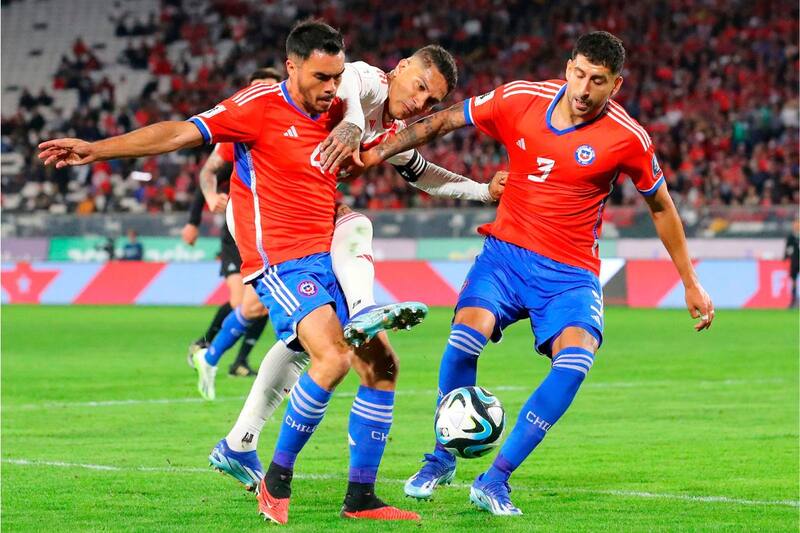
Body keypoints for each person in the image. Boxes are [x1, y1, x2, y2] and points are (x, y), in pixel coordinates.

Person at [39, 19, 420, 524]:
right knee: (331, 358)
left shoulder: (339, 111)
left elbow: (404, 144)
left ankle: (360, 498)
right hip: (281, 260)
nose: (331, 89)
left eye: (336, 77)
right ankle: (277, 482)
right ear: (292, 66)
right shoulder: (258, 105)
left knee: (383, 366)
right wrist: (96, 148)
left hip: (327, 253)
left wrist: (480, 190)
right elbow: (179, 133)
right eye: (321, 77)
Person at [358, 31, 715, 516]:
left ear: (617, 85)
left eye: (599, 82)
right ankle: (441, 456)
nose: (586, 89)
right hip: (506, 257)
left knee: (575, 363)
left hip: (570, 273)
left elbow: (662, 206)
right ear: (568, 67)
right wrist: (379, 152)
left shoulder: (628, 138)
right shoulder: (519, 98)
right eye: (580, 75)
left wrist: (689, 281)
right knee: (464, 339)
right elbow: (443, 120)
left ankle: (495, 479)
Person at [207, 44, 505, 495]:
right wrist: (349, 124)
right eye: (420, 86)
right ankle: (363, 309)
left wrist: (483, 190)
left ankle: (239, 442)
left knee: (313, 345)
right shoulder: (364, 82)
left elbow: (422, 171)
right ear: (401, 68)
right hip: (268, 212)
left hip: (305, 216)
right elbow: (347, 78)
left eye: (431, 102)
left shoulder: (392, 129)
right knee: (355, 225)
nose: (421, 103)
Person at [182, 68, 282, 379]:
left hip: (276, 229)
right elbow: (211, 172)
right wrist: (195, 219)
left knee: (265, 300)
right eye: (254, 87)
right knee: (242, 301)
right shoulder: (241, 127)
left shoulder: (288, 126)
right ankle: (206, 345)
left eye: (266, 87)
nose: (258, 94)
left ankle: (240, 360)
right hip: (240, 228)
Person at [785, 221, 799, 308]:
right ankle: (794, 300)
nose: (797, 227)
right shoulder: (791, 237)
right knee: (793, 280)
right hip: (795, 262)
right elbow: (787, 249)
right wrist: (785, 257)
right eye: (795, 225)